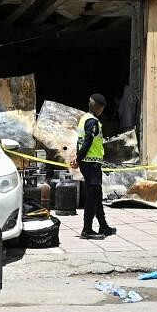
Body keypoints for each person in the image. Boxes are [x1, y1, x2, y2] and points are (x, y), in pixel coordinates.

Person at [71, 93, 115, 239]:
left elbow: (80, 141)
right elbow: (87, 142)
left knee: (96, 195)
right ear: (100, 108)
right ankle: (87, 229)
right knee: (92, 197)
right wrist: (78, 158)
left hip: (89, 163)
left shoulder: (84, 118)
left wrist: (79, 158)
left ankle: (103, 226)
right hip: (91, 164)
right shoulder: (92, 122)